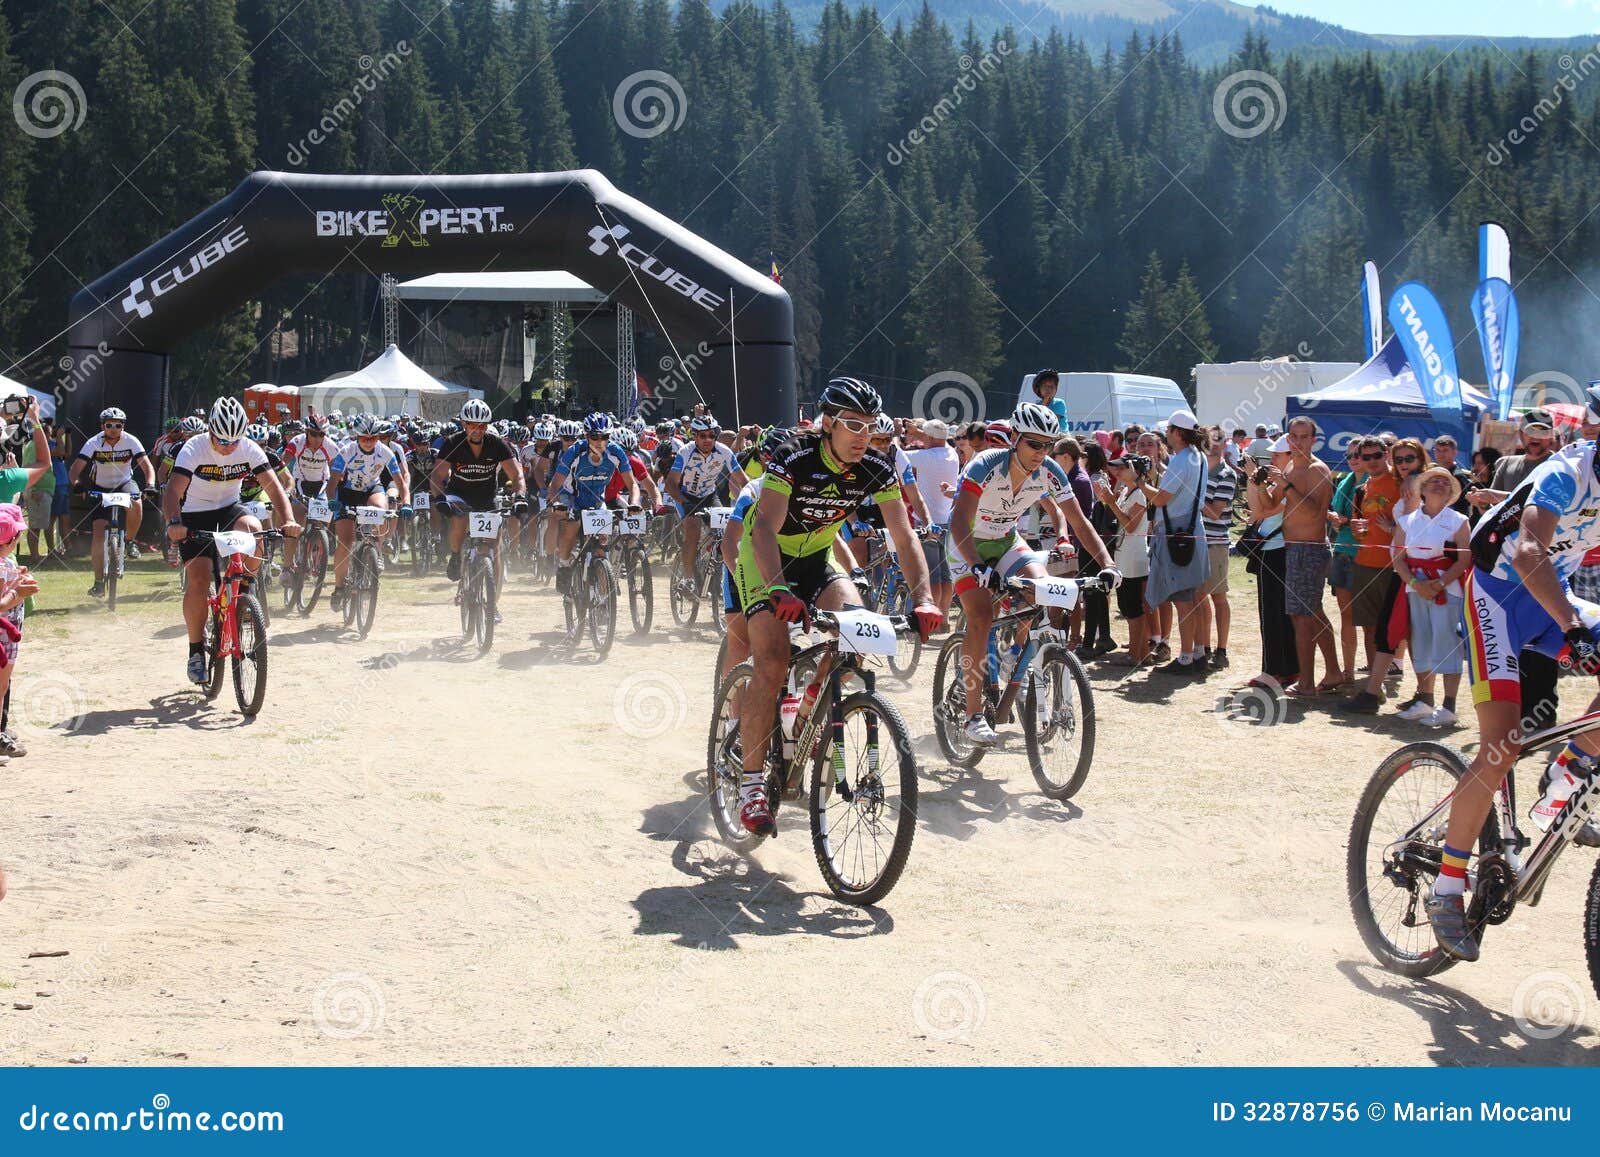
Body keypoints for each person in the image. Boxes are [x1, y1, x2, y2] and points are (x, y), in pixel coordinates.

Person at [733, 377, 941, 835]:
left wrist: (924, 599)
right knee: (772, 661)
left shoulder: (877, 468)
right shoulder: (794, 457)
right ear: (828, 423)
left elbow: (904, 535)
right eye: (853, 424)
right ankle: (751, 784)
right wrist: (778, 589)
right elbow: (764, 527)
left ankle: (806, 712)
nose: (864, 435)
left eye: (871, 425)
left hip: (817, 559)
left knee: (857, 640)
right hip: (766, 558)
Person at [1426, 419, 1600, 961]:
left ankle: (1567, 768)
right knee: (1500, 747)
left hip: (1551, 592)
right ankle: (1447, 887)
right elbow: (1526, 552)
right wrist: (1571, 627)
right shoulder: (1567, 472)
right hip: (1496, 598)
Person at [947, 403, 1117, 743]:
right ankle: (972, 715)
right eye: (1033, 443)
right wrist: (977, 565)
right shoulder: (985, 465)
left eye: (1047, 445)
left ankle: (1016, 657)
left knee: (1044, 589)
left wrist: (1108, 565)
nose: (1041, 452)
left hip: (1006, 540)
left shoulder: (1050, 471)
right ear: (1014, 438)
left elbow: (1079, 521)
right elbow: (959, 520)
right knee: (980, 616)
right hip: (966, 542)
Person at [163, 398, 300, 685]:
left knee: (254, 528)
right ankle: (196, 650)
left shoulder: (248, 448)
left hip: (229, 509)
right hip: (194, 514)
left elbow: (275, 489)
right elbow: (173, 491)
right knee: (199, 580)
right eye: (222, 440)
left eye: (234, 441)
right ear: (210, 432)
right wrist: (174, 523)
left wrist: (288, 520)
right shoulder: (194, 448)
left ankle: (244, 594)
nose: (228, 446)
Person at [1390, 466, 1470, 728]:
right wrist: (1415, 583)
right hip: (1415, 588)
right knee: (1421, 641)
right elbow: (1398, 558)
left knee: (1447, 643)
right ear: (1422, 489)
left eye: (1445, 482)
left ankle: (1449, 706)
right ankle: (1424, 699)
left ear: (1451, 492)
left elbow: (1464, 559)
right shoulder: (1407, 521)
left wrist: (1439, 584)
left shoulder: (1459, 520)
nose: (1438, 484)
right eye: (1433, 480)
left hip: (1447, 589)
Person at [1267, 415, 1339, 695]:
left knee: (1302, 618)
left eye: (1303, 437)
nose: (1297, 442)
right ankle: (1332, 672)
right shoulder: (1290, 468)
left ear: (1313, 440)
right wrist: (1259, 482)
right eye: (1293, 436)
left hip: (1309, 549)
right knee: (1313, 614)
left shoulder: (1317, 469)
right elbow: (1271, 504)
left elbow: (1314, 514)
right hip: (1294, 549)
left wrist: (1285, 486)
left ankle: (1307, 682)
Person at [1143, 410, 1210, 676]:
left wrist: (1139, 483)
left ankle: (1185, 658)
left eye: (1169, 430)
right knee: (1193, 597)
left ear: (1178, 433)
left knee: (1183, 600)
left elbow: (1161, 499)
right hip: (1193, 530)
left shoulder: (1182, 459)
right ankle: (1199, 652)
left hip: (1177, 534)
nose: (1166, 434)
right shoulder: (1198, 456)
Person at [431, 398, 527, 585]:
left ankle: (493, 596)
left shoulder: (497, 444)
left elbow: (517, 475)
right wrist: (440, 498)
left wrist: (520, 496)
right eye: (472, 425)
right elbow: (437, 476)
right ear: (464, 424)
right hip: (459, 493)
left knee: (494, 545)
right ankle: (456, 555)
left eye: (482, 426)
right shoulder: (452, 442)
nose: (477, 430)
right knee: (459, 517)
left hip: (486, 497)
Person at [1338, 437, 1401, 713]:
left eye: (1377, 455)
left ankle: (1422, 695)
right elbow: (1357, 526)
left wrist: (1393, 529)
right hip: (1364, 562)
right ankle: (1373, 690)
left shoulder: (1400, 483)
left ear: (1386, 454)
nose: (1372, 461)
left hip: (1394, 566)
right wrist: (1356, 528)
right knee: (1369, 627)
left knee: (1400, 630)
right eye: (1366, 457)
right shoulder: (1361, 490)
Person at [69, 406, 152, 597]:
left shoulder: (131, 441)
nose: (113, 429)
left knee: (137, 502)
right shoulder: (93, 442)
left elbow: (147, 467)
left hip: (124, 483)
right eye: (109, 425)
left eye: (118, 425)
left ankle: (129, 542)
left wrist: (150, 484)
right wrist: (78, 485)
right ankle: (98, 583)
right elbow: (75, 469)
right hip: (100, 486)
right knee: (98, 535)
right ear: (102, 426)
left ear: (123, 426)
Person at [664, 415, 746, 597]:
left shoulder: (724, 451)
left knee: (725, 533)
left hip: (709, 495)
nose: (708, 439)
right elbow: (670, 484)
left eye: (711, 435)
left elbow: (743, 480)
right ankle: (688, 579)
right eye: (702, 435)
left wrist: (752, 500)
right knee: (693, 531)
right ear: (695, 436)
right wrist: (685, 503)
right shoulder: (685, 452)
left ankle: (720, 575)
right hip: (685, 495)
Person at [1243, 437, 1297, 688]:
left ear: (1289, 456)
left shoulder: (1289, 483)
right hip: (1274, 549)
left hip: (1276, 550)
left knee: (1273, 614)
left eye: (1277, 455)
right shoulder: (1283, 481)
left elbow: (1261, 511)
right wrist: (1254, 480)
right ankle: (1286, 669)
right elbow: (1257, 509)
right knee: (1278, 614)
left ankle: (1274, 670)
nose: (1272, 459)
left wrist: (1254, 479)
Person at [1098, 454, 1152, 667]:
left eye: (1122, 468)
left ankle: (1135, 654)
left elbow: (1130, 526)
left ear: (1135, 471)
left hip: (1133, 559)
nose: (1118, 472)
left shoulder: (1139, 494)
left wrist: (1111, 503)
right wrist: (1108, 500)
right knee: (1128, 607)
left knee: (1133, 609)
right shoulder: (1127, 492)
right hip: (1125, 556)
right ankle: (1141, 652)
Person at [908, 418, 960, 618]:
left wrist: (897, 434)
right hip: (948, 520)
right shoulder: (952, 454)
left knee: (932, 574)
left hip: (927, 522)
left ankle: (935, 616)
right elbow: (936, 441)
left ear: (929, 437)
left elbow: (896, 455)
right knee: (946, 574)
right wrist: (920, 433)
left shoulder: (925, 456)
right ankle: (944, 616)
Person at [1196, 426, 1236, 669]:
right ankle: (1204, 647)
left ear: (1224, 443)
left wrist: (1192, 495)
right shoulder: (1200, 469)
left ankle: (1222, 649)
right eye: (1209, 440)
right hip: (1198, 541)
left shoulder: (1226, 474)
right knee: (1199, 598)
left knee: (1218, 598)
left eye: (1218, 440)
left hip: (1216, 543)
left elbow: (1215, 512)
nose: (1213, 444)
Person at [1325, 443, 1365, 686]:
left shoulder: (1377, 482)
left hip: (1366, 555)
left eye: (1357, 454)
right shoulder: (1344, 481)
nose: (1353, 459)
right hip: (1342, 551)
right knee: (1346, 615)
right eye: (1349, 455)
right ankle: (1348, 671)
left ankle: (1376, 676)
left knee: (1369, 620)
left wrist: (1345, 520)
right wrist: (1335, 519)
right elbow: (1337, 515)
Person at [1078, 441, 1116, 659]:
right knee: (1098, 592)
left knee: (1092, 591)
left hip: (1093, 540)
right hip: (1100, 540)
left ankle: (1088, 642)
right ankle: (1104, 637)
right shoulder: (1100, 477)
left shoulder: (1093, 479)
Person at [1431, 434, 1475, 516]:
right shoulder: (1429, 473)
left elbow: (1463, 505)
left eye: (1445, 450)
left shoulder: (1460, 477)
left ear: (1454, 452)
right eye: (1438, 450)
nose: (1441, 454)